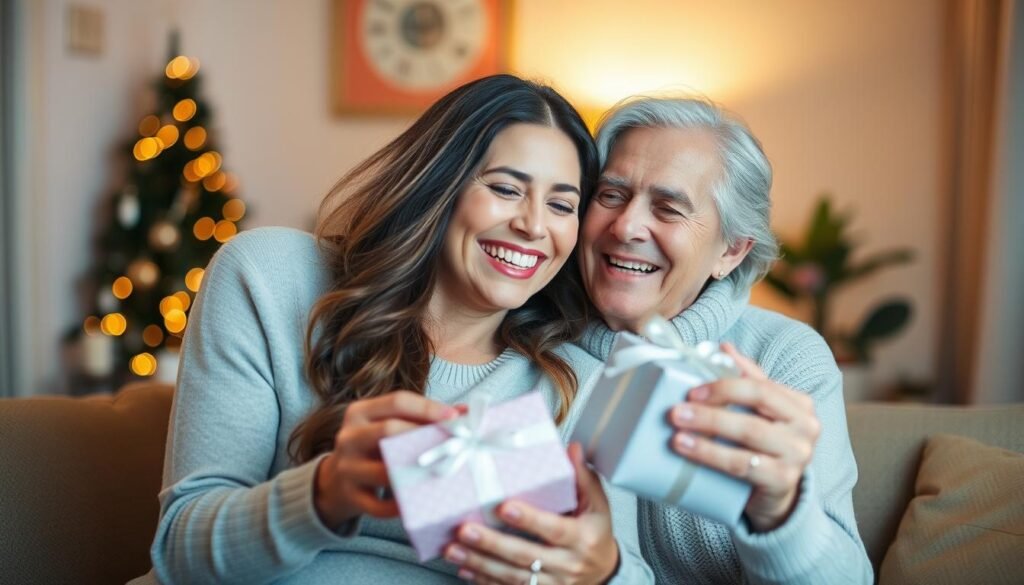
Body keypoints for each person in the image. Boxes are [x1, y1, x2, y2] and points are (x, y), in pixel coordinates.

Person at [132, 75, 654, 584]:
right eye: (504, 188)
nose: (534, 225)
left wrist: (600, 570)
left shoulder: (580, 387)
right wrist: (325, 492)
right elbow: (182, 552)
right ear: (437, 184)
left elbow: (628, 571)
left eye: (562, 205)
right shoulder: (272, 279)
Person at [574, 96, 874, 583]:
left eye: (669, 209)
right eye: (610, 195)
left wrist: (779, 510)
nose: (626, 226)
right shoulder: (531, 344)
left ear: (731, 251)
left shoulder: (784, 358)